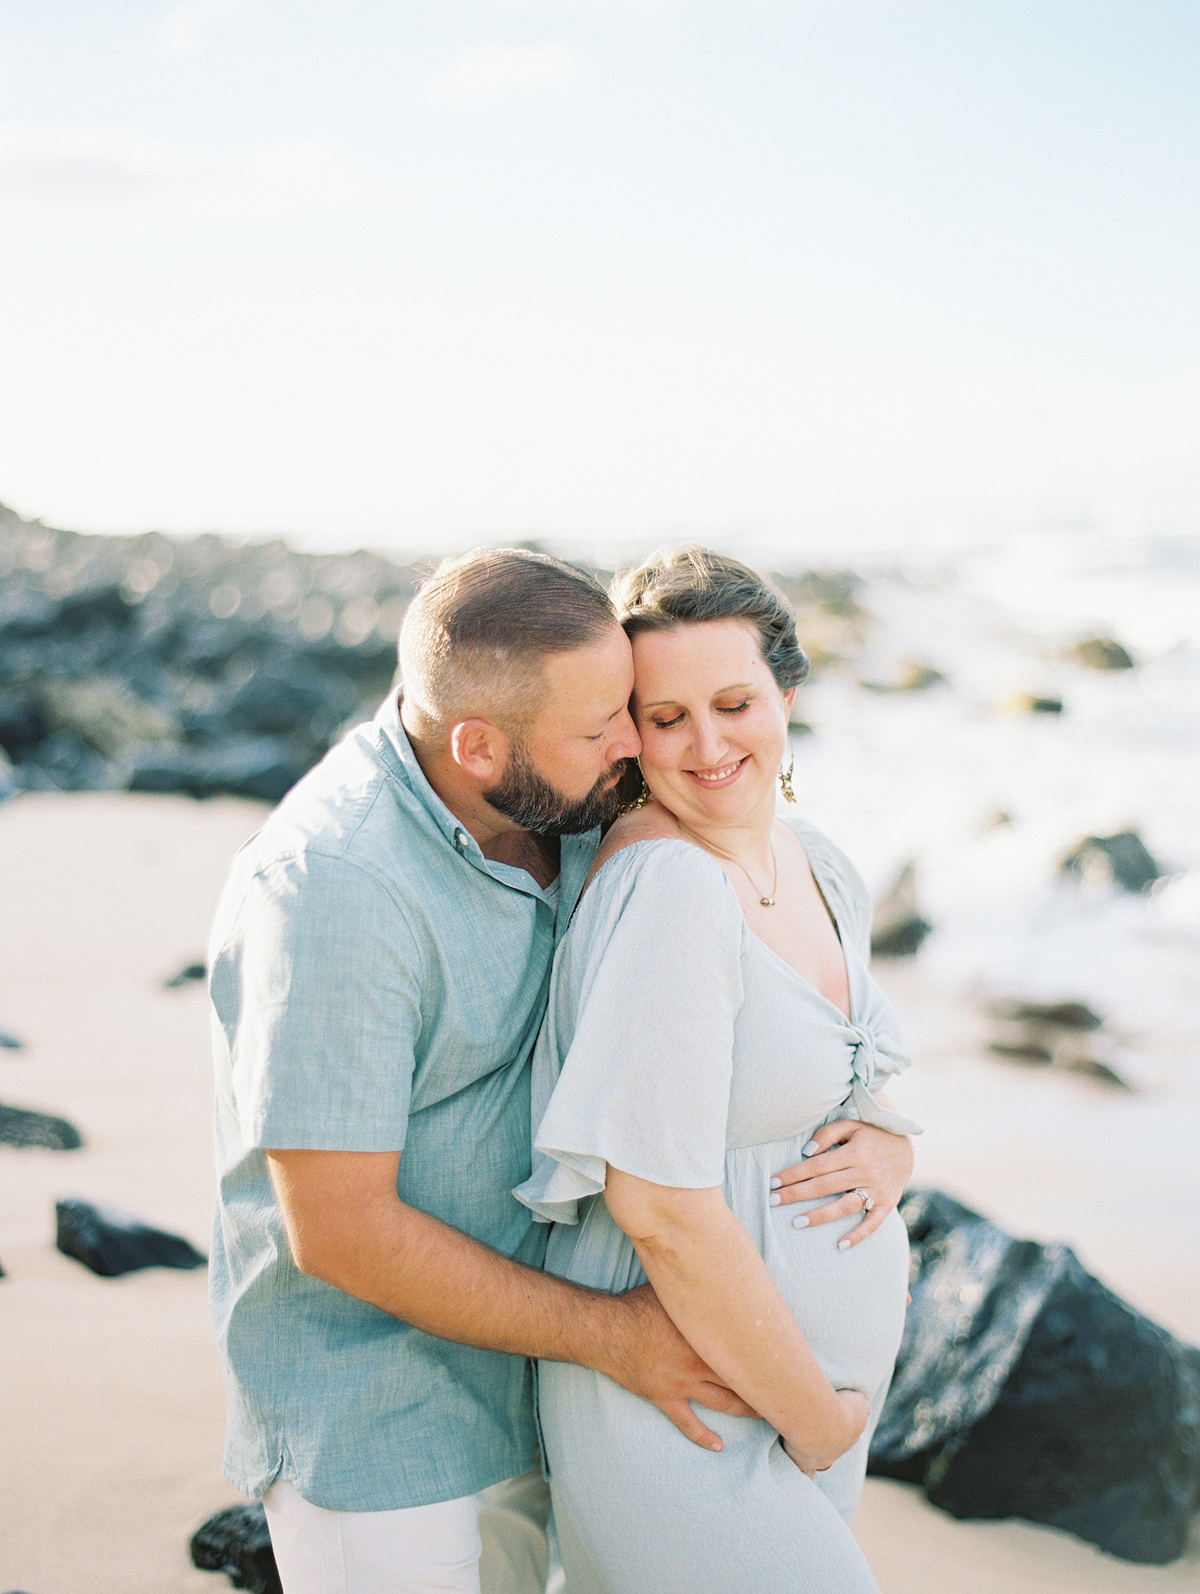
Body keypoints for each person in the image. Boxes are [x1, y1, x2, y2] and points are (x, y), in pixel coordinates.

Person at [208, 546, 913, 1594]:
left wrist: (889, 1126)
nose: (638, 746)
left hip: (542, 1386)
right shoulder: (336, 888)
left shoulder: (572, 807)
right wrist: (612, 1339)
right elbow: (340, 1229)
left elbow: (780, 994)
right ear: (480, 745)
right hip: (389, 1410)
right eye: (612, 726)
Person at [515, 546, 922, 1594]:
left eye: (735, 701)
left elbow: (842, 1069)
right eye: (666, 717)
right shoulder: (673, 891)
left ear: (785, 694)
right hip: (696, 1409)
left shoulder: (817, 860)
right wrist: (814, 1415)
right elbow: (657, 1205)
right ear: (628, 733)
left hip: (784, 1403)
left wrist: (891, 1138)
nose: (707, 744)